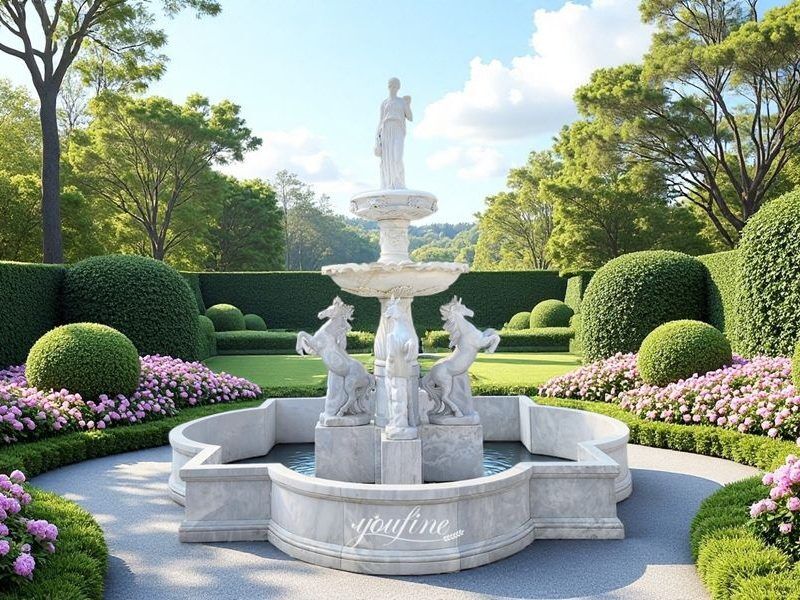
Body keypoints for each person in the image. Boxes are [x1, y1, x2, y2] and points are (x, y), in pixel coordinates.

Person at [374, 77, 412, 189]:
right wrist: (377, 141)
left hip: (398, 129)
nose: (393, 87)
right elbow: (380, 122)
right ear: (388, 86)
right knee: (386, 159)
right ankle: (388, 184)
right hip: (386, 130)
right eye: (391, 85)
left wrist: (408, 105)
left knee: (397, 157)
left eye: (396, 85)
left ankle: (399, 183)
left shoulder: (402, 101)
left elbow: (410, 117)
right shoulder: (384, 103)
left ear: (398, 87)